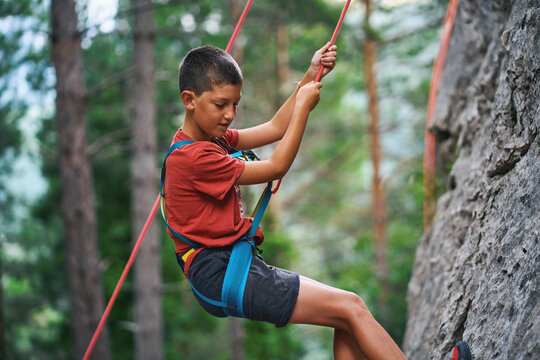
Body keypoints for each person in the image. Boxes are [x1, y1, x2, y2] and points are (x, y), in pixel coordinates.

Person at [163, 43, 471, 360]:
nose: (229, 114)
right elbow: (277, 166)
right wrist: (302, 110)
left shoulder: (211, 138)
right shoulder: (193, 157)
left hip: (229, 267)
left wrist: (310, 75)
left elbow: (274, 128)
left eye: (235, 105)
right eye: (220, 104)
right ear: (189, 100)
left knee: (346, 319)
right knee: (350, 307)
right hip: (223, 273)